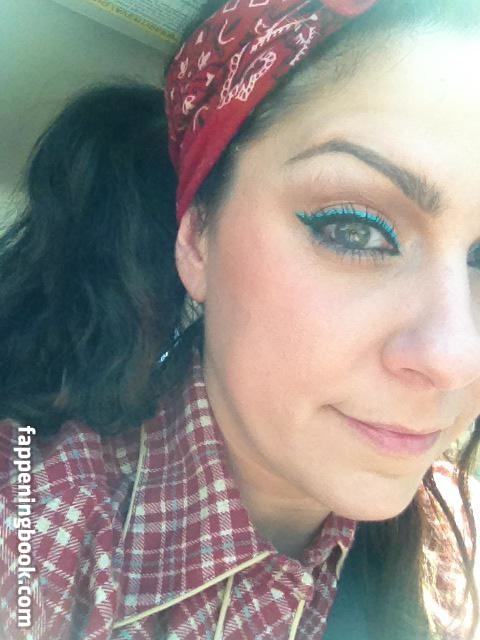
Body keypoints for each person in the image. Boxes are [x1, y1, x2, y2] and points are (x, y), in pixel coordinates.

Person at [0, 0, 479, 638]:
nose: (456, 358)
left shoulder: (457, 551)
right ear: (197, 236)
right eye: (354, 229)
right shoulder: (35, 531)